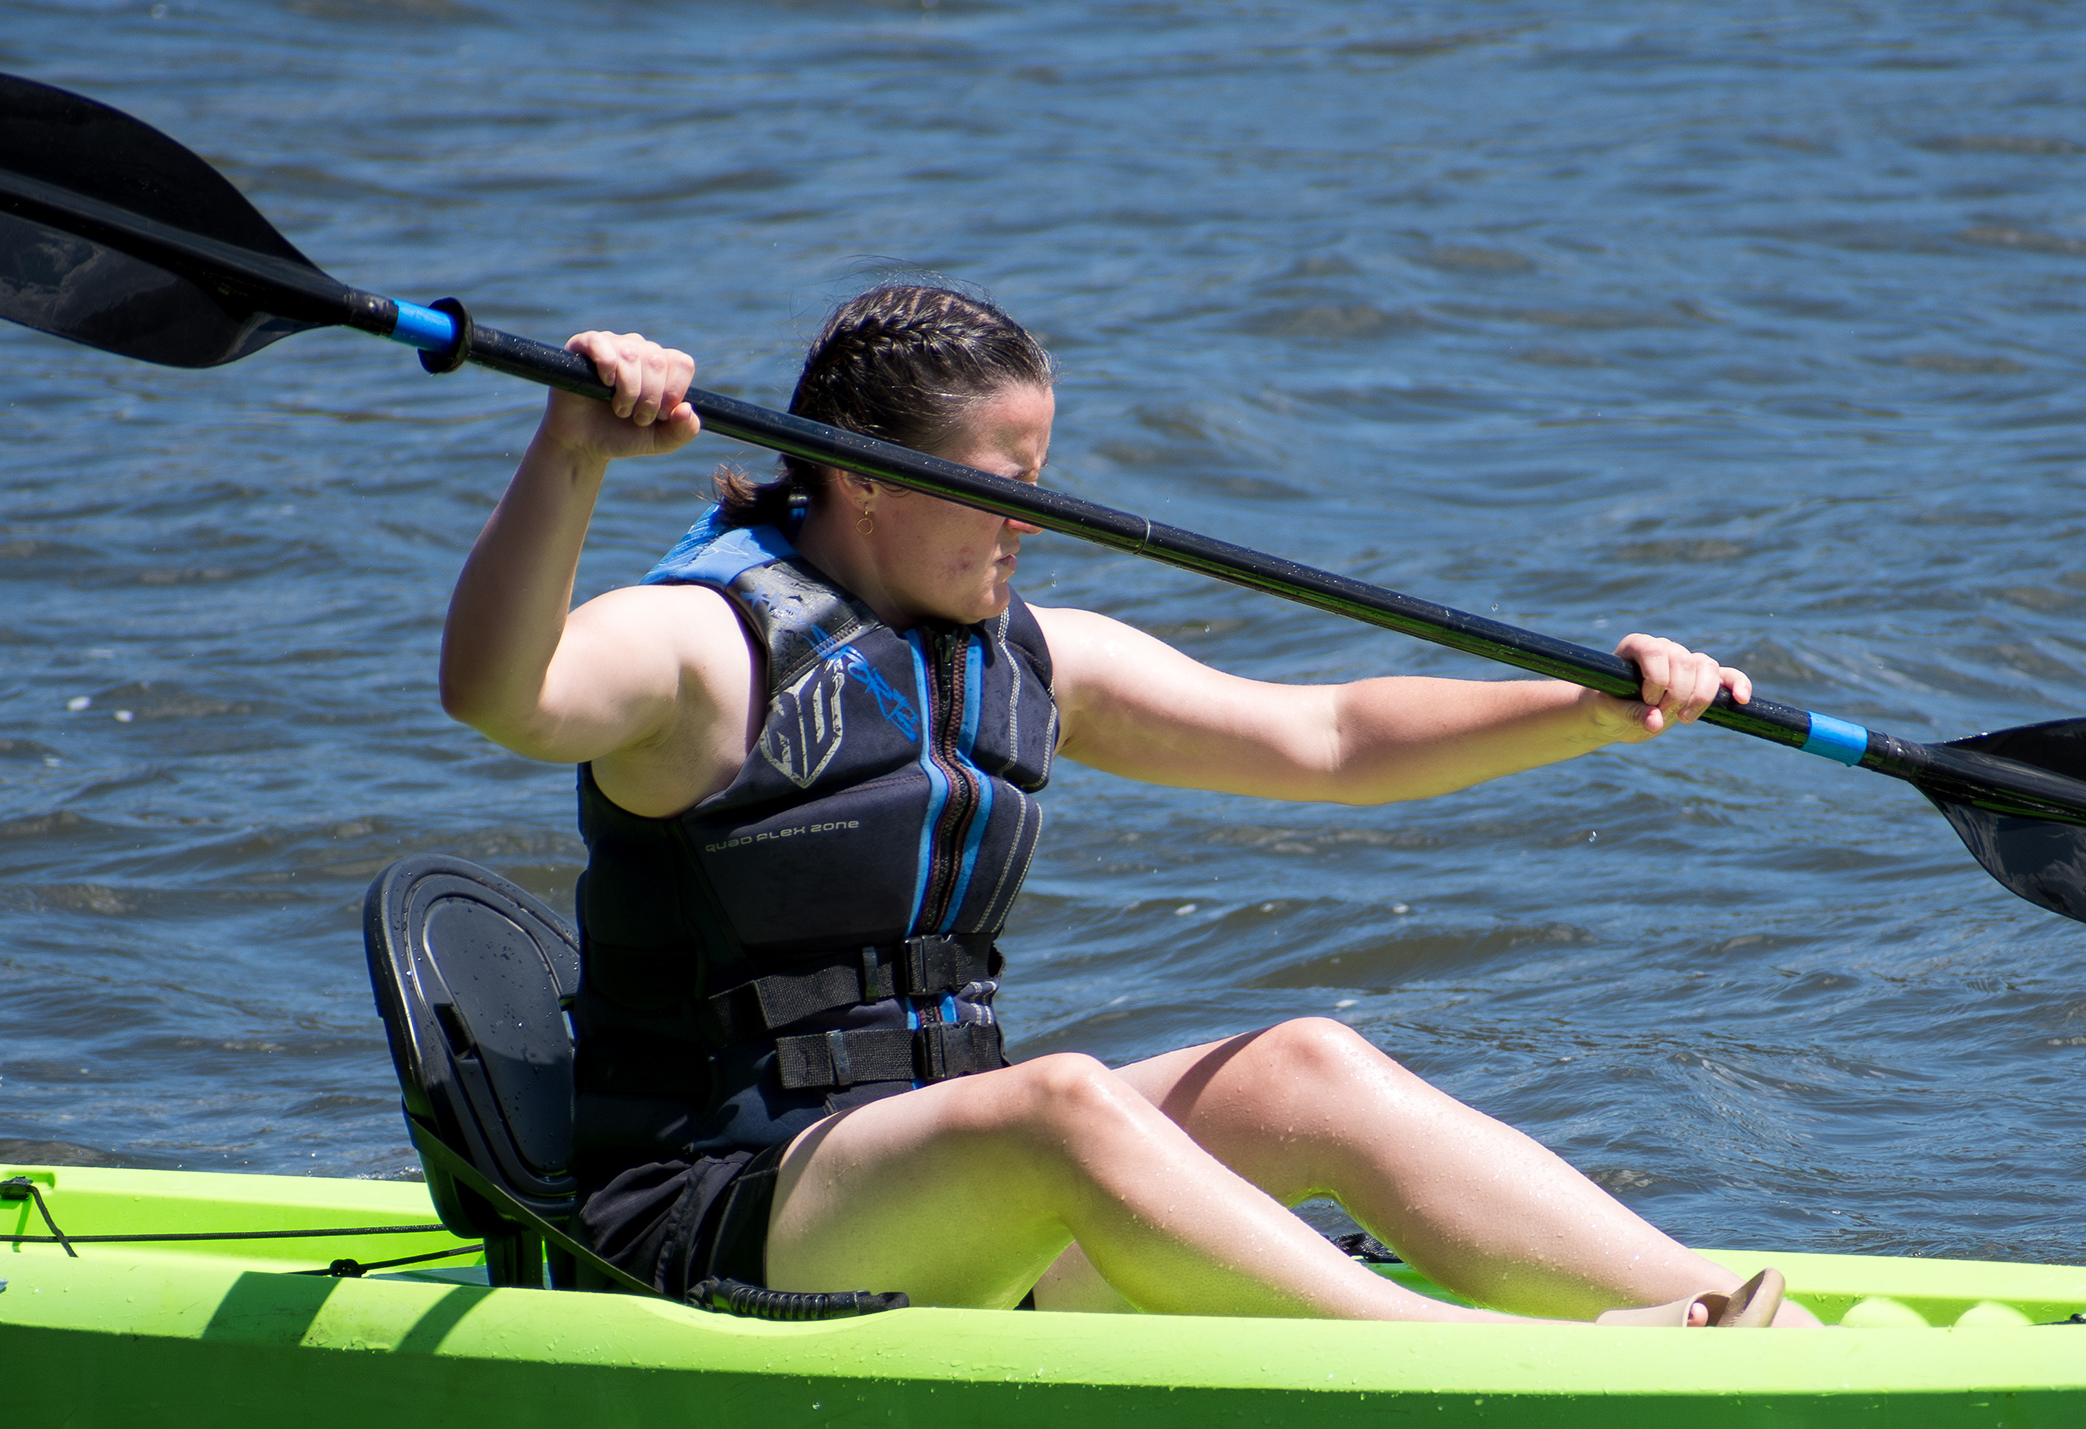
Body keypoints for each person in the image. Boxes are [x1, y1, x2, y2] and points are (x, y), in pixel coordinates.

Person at [438, 284, 1812, 1329]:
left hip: (940, 1201)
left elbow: (1326, 736)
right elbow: (501, 694)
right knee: (1057, 1104)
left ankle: (1745, 1325)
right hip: (711, 1221)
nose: (1031, 523)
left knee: (1306, 1066)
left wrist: (1586, 710)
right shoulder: (701, 651)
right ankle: (1466, 1361)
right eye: (1005, 485)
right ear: (861, 472)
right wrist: (571, 457)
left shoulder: (1035, 657)